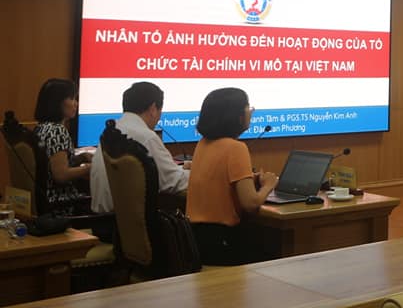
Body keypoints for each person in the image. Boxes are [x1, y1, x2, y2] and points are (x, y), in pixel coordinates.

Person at [186, 87, 278, 265]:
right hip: (223, 242)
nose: (251, 112)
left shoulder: (203, 143)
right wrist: (269, 184)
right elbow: (250, 204)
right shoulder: (236, 148)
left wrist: (250, 179)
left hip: (197, 239)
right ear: (237, 116)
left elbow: (219, 179)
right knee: (277, 255)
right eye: (248, 107)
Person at [89, 82, 190, 213]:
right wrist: (198, 172)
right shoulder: (146, 137)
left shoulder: (113, 130)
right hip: (129, 222)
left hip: (103, 219)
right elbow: (173, 182)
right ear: (153, 109)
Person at [33, 78, 92, 214]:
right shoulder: (57, 131)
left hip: (45, 202)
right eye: (72, 98)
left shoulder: (41, 128)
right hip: (62, 206)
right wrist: (90, 168)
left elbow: (50, 165)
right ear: (57, 102)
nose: (76, 103)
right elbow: (61, 175)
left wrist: (80, 158)